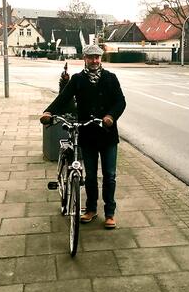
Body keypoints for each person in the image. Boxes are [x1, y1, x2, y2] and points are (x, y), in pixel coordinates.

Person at [40, 44, 126, 229]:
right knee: (90, 176)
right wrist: (49, 112)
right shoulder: (78, 80)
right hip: (87, 133)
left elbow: (120, 101)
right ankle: (91, 209)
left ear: (100, 58)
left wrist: (110, 116)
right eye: (90, 57)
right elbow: (63, 98)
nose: (94, 61)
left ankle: (110, 213)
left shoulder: (110, 78)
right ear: (84, 58)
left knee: (109, 175)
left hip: (108, 134)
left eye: (97, 57)